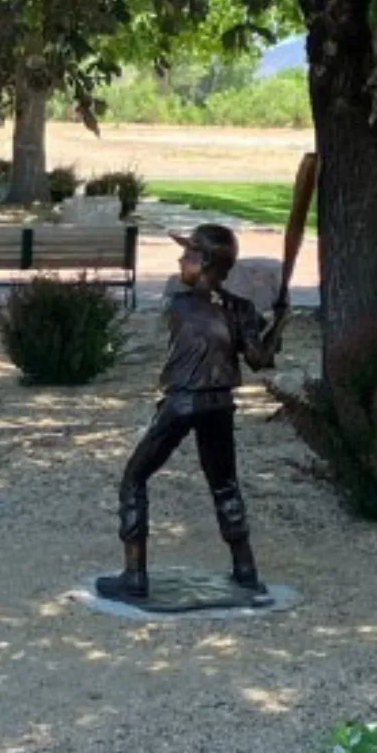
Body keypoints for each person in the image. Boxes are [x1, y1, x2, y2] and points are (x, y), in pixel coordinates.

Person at [96, 223, 286, 603]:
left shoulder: (179, 303)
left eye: (189, 254)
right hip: (220, 404)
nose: (182, 259)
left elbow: (216, 324)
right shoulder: (240, 309)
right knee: (225, 485)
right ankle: (245, 570)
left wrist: (275, 323)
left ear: (205, 262)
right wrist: (276, 324)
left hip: (183, 402)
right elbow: (260, 360)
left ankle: (134, 577)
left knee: (134, 479)